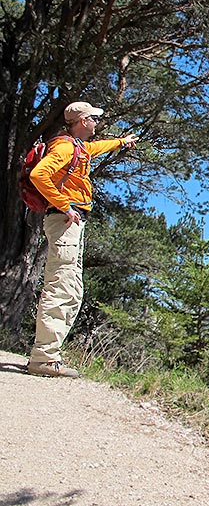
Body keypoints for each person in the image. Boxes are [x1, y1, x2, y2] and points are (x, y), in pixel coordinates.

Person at [26, 101, 138, 378]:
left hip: (71, 224)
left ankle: (49, 355)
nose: (96, 123)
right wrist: (64, 205)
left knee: (73, 290)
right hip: (64, 221)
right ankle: (43, 359)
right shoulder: (64, 147)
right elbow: (39, 175)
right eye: (93, 119)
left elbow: (97, 148)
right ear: (81, 121)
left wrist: (121, 142)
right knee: (61, 285)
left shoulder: (79, 148)